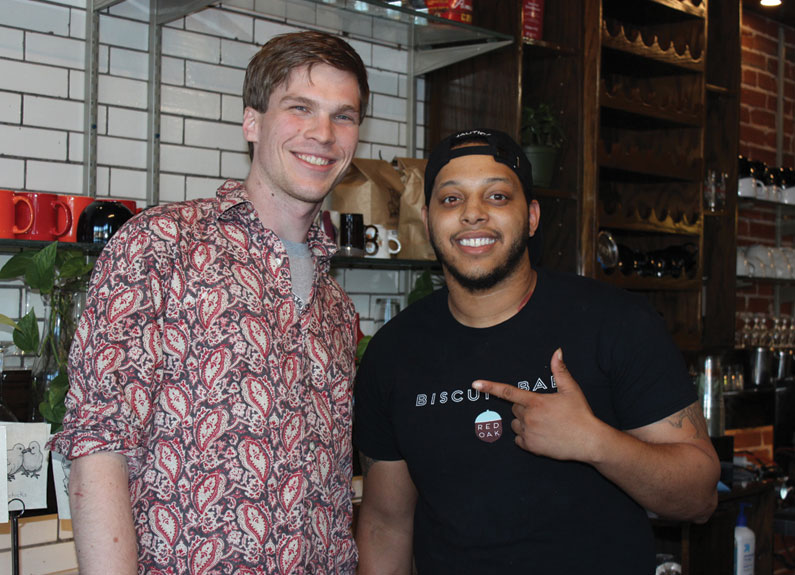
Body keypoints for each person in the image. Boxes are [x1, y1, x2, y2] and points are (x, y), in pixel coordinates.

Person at [50, 30, 369, 574]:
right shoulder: (161, 246)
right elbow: (98, 451)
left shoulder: (335, 304)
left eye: (344, 116)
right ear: (252, 122)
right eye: (300, 108)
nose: (323, 134)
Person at [354, 128, 721, 574]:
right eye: (451, 199)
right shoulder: (392, 352)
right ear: (428, 221)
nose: (472, 214)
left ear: (531, 217)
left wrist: (595, 442)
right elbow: (386, 524)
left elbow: (699, 498)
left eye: (497, 197)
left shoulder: (616, 322)